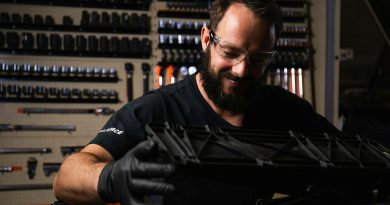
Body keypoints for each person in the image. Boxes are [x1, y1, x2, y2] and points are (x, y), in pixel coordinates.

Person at [53, 0, 341, 204]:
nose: (241, 69)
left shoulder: (287, 110)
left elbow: (349, 157)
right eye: (230, 51)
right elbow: (66, 178)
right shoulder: (157, 109)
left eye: (258, 59)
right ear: (206, 39)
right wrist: (110, 178)